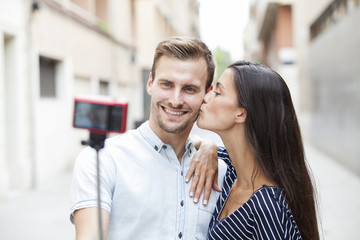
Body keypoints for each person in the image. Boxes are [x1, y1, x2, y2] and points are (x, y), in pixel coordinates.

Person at [70, 36, 227, 239]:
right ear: (150, 83)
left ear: (207, 93)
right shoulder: (102, 160)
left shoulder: (219, 170)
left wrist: (208, 145)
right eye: (167, 84)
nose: (175, 100)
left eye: (189, 89)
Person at [197, 61, 319, 240]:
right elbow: (188, 143)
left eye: (217, 92)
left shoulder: (267, 206)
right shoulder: (230, 171)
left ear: (241, 113)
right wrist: (208, 146)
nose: (205, 98)